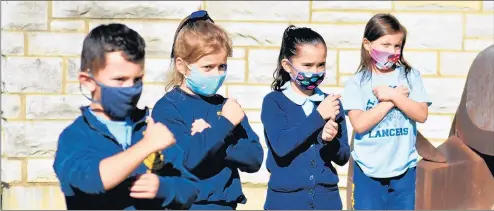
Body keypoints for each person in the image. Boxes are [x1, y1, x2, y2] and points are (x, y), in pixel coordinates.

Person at [52, 23, 199, 210]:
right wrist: (146, 146)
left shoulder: (148, 128)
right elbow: (92, 181)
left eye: (137, 79)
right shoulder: (75, 136)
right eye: (120, 80)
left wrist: (164, 188)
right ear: (88, 81)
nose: (131, 88)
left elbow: (190, 188)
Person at [151, 10, 264, 210]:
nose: (217, 74)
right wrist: (224, 126)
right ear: (182, 65)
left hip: (226, 205)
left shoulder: (227, 107)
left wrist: (210, 135)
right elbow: (188, 160)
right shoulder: (168, 108)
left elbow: (254, 159)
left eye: (222, 66)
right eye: (208, 67)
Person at [343, 13, 432, 210]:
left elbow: (421, 114)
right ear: (367, 44)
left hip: (404, 171)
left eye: (397, 46)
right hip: (367, 173)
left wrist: (395, 96)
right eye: (385, 45)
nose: (392, 51)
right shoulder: (356, 83)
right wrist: (390, 100)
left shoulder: (410, 76)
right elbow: (359, 124)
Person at [261, 25, 350, 210]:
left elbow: (343, 157)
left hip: (327, 201)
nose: (315, 71)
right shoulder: (274, 102)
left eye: (321, 64)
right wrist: (318, 116)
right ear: (287, 66)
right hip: (284, 203)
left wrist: (330, 141)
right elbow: (282, 147)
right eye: (307, 65)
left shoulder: (331, 103)